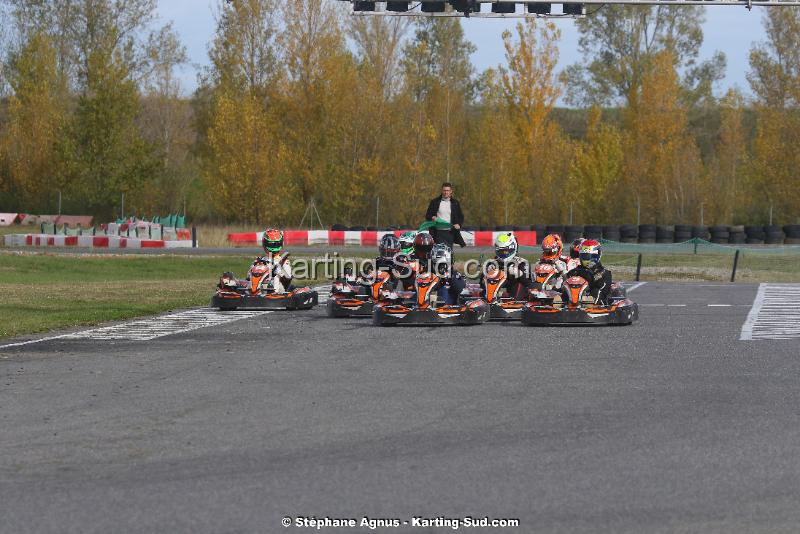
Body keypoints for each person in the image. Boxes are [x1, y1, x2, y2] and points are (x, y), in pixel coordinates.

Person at [480, 231, 532, 300]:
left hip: (514, 291)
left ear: (512, 248)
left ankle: (515, 301)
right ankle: (489, 298)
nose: (503, 254)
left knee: (519, 284)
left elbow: (528, 282)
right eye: (501, 251)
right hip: (497, 290)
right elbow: (481, 283)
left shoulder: (522, 262)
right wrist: (487, 273)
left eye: (505, 251)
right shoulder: (493, 262)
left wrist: (518, 274)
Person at [566, 239, 613, 305]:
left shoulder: (604, 273)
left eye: (589, 256)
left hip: (598, 303)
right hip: (575, 300)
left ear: (597, 255)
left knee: (596, 291)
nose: (586, 259)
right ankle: (559, 306)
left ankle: (590, 305)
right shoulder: (574, 272)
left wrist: (592, 278)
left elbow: (602, 289)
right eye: (584, 256)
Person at [425, 182, 466, 248]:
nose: (446, 192)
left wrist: (459, 224)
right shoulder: (434, 202)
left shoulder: (455, 203)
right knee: (439, 253)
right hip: (437, 233)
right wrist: (432, 217)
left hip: (450, 233)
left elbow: (461, 216)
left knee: (449, 254)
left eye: (447, 191)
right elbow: (427, 215)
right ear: (442, 191)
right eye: (444, 190)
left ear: (451, 191)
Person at [251, 228, 293, 292]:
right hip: (258, 289)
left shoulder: (283, 261)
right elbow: (248, 277)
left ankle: (268, 292)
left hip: (277, 291)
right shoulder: (260, 259)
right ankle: (253, 291)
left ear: (264, 244)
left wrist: (278, 272)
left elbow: (288, 278)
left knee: (275, 278)